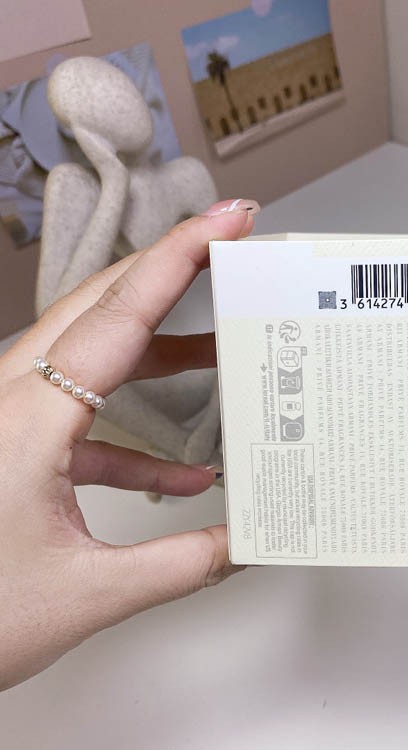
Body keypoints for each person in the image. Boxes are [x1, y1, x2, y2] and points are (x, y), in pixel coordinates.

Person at [0, 198, 259, 691]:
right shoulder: (77, 185)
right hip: (106, 372)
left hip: (133, 369)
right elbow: (62, 290)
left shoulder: (175, 176)